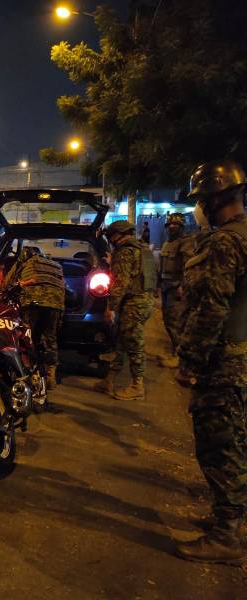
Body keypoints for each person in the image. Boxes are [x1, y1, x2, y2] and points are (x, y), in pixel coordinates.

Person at [175, 159, 247, 565]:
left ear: (215, 198)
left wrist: (189, 361)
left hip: (224, 365)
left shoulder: (223, 244)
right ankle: (229, 519)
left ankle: (226, 535)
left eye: (201, 199)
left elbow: (210, 311)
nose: (199, 207)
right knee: (238, 440)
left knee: (221, 447)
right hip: (242, 356)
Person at [94, 220, 156, 400]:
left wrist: (111, 308)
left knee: (135, 344)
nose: (110, 240)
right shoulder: (143, 249)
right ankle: (110, 380)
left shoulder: (124, 251)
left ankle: (137, 386)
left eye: (111, 237)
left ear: (117, 235)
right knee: (121, 343)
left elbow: (120, 284)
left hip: (133, 304)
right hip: (145, 300)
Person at [3, 246, 65, 392]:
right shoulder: (55, 265)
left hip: (32, 301)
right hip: (55, 303)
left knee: (27, 337)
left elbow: (7, 283)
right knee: (50, 338)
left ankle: (29, 373)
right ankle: (50, 376)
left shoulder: (26, 261)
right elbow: (62, 286)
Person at [157, 213, 195, 368]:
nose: (172, 227)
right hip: (166, 286)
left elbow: (189, 267)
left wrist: (182, 287)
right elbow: (162, 268)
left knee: (175, 322)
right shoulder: (167, 243)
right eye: (170, 225)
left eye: (176, 225)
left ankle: (180, 358)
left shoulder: (185, 243)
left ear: (182, 227)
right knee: (168, 321)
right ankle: (176, 352)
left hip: (176, 288)